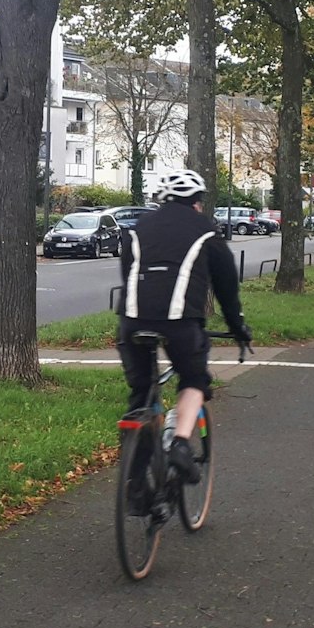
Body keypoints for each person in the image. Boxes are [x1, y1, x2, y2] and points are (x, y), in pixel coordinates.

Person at [115, 169, 253, 483]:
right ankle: (179, 445)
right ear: (197, 202)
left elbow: (129, 277)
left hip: (132, 322)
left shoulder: (138, 227)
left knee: (141, 394)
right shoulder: (205, 230)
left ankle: (135, 487)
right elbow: (227, 286)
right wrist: (238, 326)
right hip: (180, 323)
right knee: (194, 379)